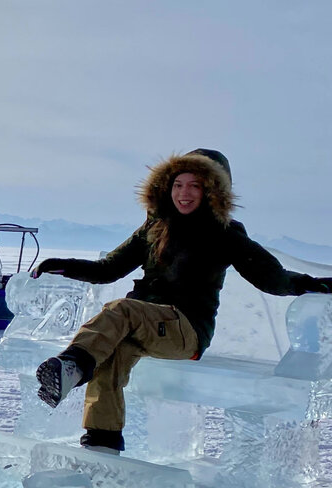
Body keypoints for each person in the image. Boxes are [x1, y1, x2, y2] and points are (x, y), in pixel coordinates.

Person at [32, 148, 332, 453]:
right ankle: (102, 441)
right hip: (146, 324)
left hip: (185, 330)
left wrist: (317, 284)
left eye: (194, 186)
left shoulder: (224, 234)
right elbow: (109, 269)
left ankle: (72, 367)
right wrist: (63, 265)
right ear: (167, 187)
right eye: (178, 185)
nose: (184, 193)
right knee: (111, 355)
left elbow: (273, 279)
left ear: (212, 191)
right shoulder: (154, 227)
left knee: (121, 310)